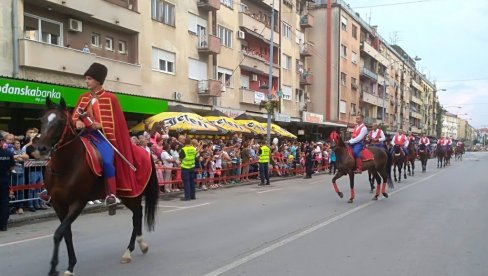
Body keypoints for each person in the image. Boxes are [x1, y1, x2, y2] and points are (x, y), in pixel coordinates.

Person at [71, 62, 144, 215]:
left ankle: (111, 194)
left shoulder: (111, 98)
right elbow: (75, 116)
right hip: (82, 135)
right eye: (86, 78)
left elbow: (117, 123)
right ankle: (52, 190)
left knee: (107, 160)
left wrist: (100, 125)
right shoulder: (83, 97)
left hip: (101, 137)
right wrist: (77, 121)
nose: (87, 81)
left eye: (89, 78)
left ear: (98, 80)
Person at [0, 133, 15, 231]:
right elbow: (12, 167)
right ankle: (3, 225)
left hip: (3, 180)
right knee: (4, 203)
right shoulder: (8, 153)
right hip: (4, 180)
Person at [179, 137, 197, 201]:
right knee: (192, 182)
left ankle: (187, 197)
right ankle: (193, 196)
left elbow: (180, 158)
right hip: (192, 167)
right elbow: (194, 156)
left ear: (184, 142)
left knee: (186, 182)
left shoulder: (183, 149)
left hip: (185, 167)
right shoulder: (193, 149)